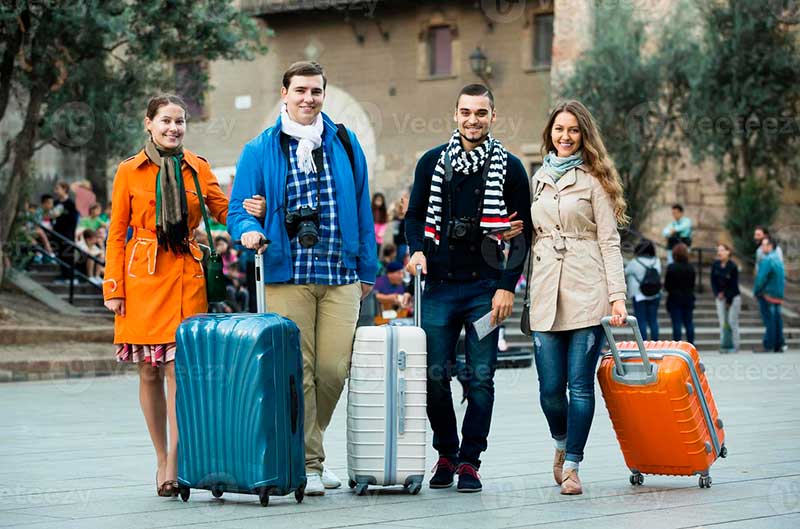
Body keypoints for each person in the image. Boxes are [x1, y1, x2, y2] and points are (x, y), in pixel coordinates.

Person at [103, 94, 264, 498]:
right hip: (140, 279)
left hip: (186, 280)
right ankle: (160, 456)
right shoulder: (128, 172)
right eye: (165, 121)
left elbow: (223, 210)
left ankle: (175, 463)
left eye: (180, 122)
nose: (173, 128)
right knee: (148, 372)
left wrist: (251, 211)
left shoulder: (198, 168)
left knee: (179, 373)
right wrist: (114, 288)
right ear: (149, 124)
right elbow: (116, 232)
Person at [228, 61, 377, 496]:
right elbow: (238, 210)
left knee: (333, 369)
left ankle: (308, 448)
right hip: (285, 274)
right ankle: (309, 463)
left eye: (316, 91)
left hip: (340, 273)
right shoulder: (260, 149)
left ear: (323, 95)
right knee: (301, 371)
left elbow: (363, 209)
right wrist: (248, 230)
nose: (308, 98)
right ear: (284, 93)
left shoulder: (345, 144)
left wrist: (367, 269)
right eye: (301, 91)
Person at [405, 83, 532, 493]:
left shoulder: (511, 168)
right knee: (432, 376)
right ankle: (446, 452)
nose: (472, 120)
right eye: (466, 113)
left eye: (481, 113)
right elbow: (413, 217)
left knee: (480, 378)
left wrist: (506, 286)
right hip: (438, 287)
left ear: (492, 117)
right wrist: (416, 250)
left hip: (484, 289)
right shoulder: (430, 162)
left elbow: (521, 234)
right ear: (455, 115)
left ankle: (470, 462)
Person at [526, 100, 627, 496]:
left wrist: (617, 297)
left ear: (584, 135)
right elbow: (538, 231)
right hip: (547, 288)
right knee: (550, 389)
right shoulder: (539, 177)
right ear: (550, 133)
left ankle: (572, 466)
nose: (565, 137)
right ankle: (560, 442)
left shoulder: (594, 179)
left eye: (573, 130)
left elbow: (610, 241)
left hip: (588, 289)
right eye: (559, 129)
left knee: (580, 385)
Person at [624, 239, 661, 340]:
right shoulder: (656, 261)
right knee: (653, 320)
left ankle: (643, 344)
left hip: (639, 294)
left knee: (641, 320)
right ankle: (655, 343)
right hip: (654, 293)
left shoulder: (634, 262)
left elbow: (625, 272)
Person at [753, 236, 785, 353]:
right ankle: (779, 344)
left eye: (764, 245)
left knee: (769, 321)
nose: (762, 247)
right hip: (777, 294)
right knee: (777, 320)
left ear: (770, 246)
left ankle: (768, 345)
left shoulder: (767, 259)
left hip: (767, 294)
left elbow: (761, 278)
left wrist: (756, 291)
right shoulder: (778, 259)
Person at [710, 243, 741, 353]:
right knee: (722, 321)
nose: (720, 252)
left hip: (733, 297)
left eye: (722, 250)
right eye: (718, 250)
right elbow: (713, 281)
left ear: (728, 252)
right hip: (720, 297)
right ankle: (724, 344)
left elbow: (733, 285)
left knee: (732, 321)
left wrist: (728, 298)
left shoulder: (733, 266)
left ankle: (735, 345)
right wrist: (718, 293)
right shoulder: (715, 265)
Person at [664, 242, 696, 343]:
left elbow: (667, 285)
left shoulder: (671, 267)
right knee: (689, 323)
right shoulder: (691, 268)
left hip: (674, 299)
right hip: (688, 298)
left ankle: (677, 346)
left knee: (676, 324)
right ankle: (691, 344)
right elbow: (692, 284)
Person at [52, 181, 79, 283]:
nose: (56, 191)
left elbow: (74, 220)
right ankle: (63, 275)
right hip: (57, 233)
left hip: (67, 234)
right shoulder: (55, 203)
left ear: (64, 189)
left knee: (68, 254)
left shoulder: (71, 204)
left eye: (58, 188)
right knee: (59, 255)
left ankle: (70, 276)